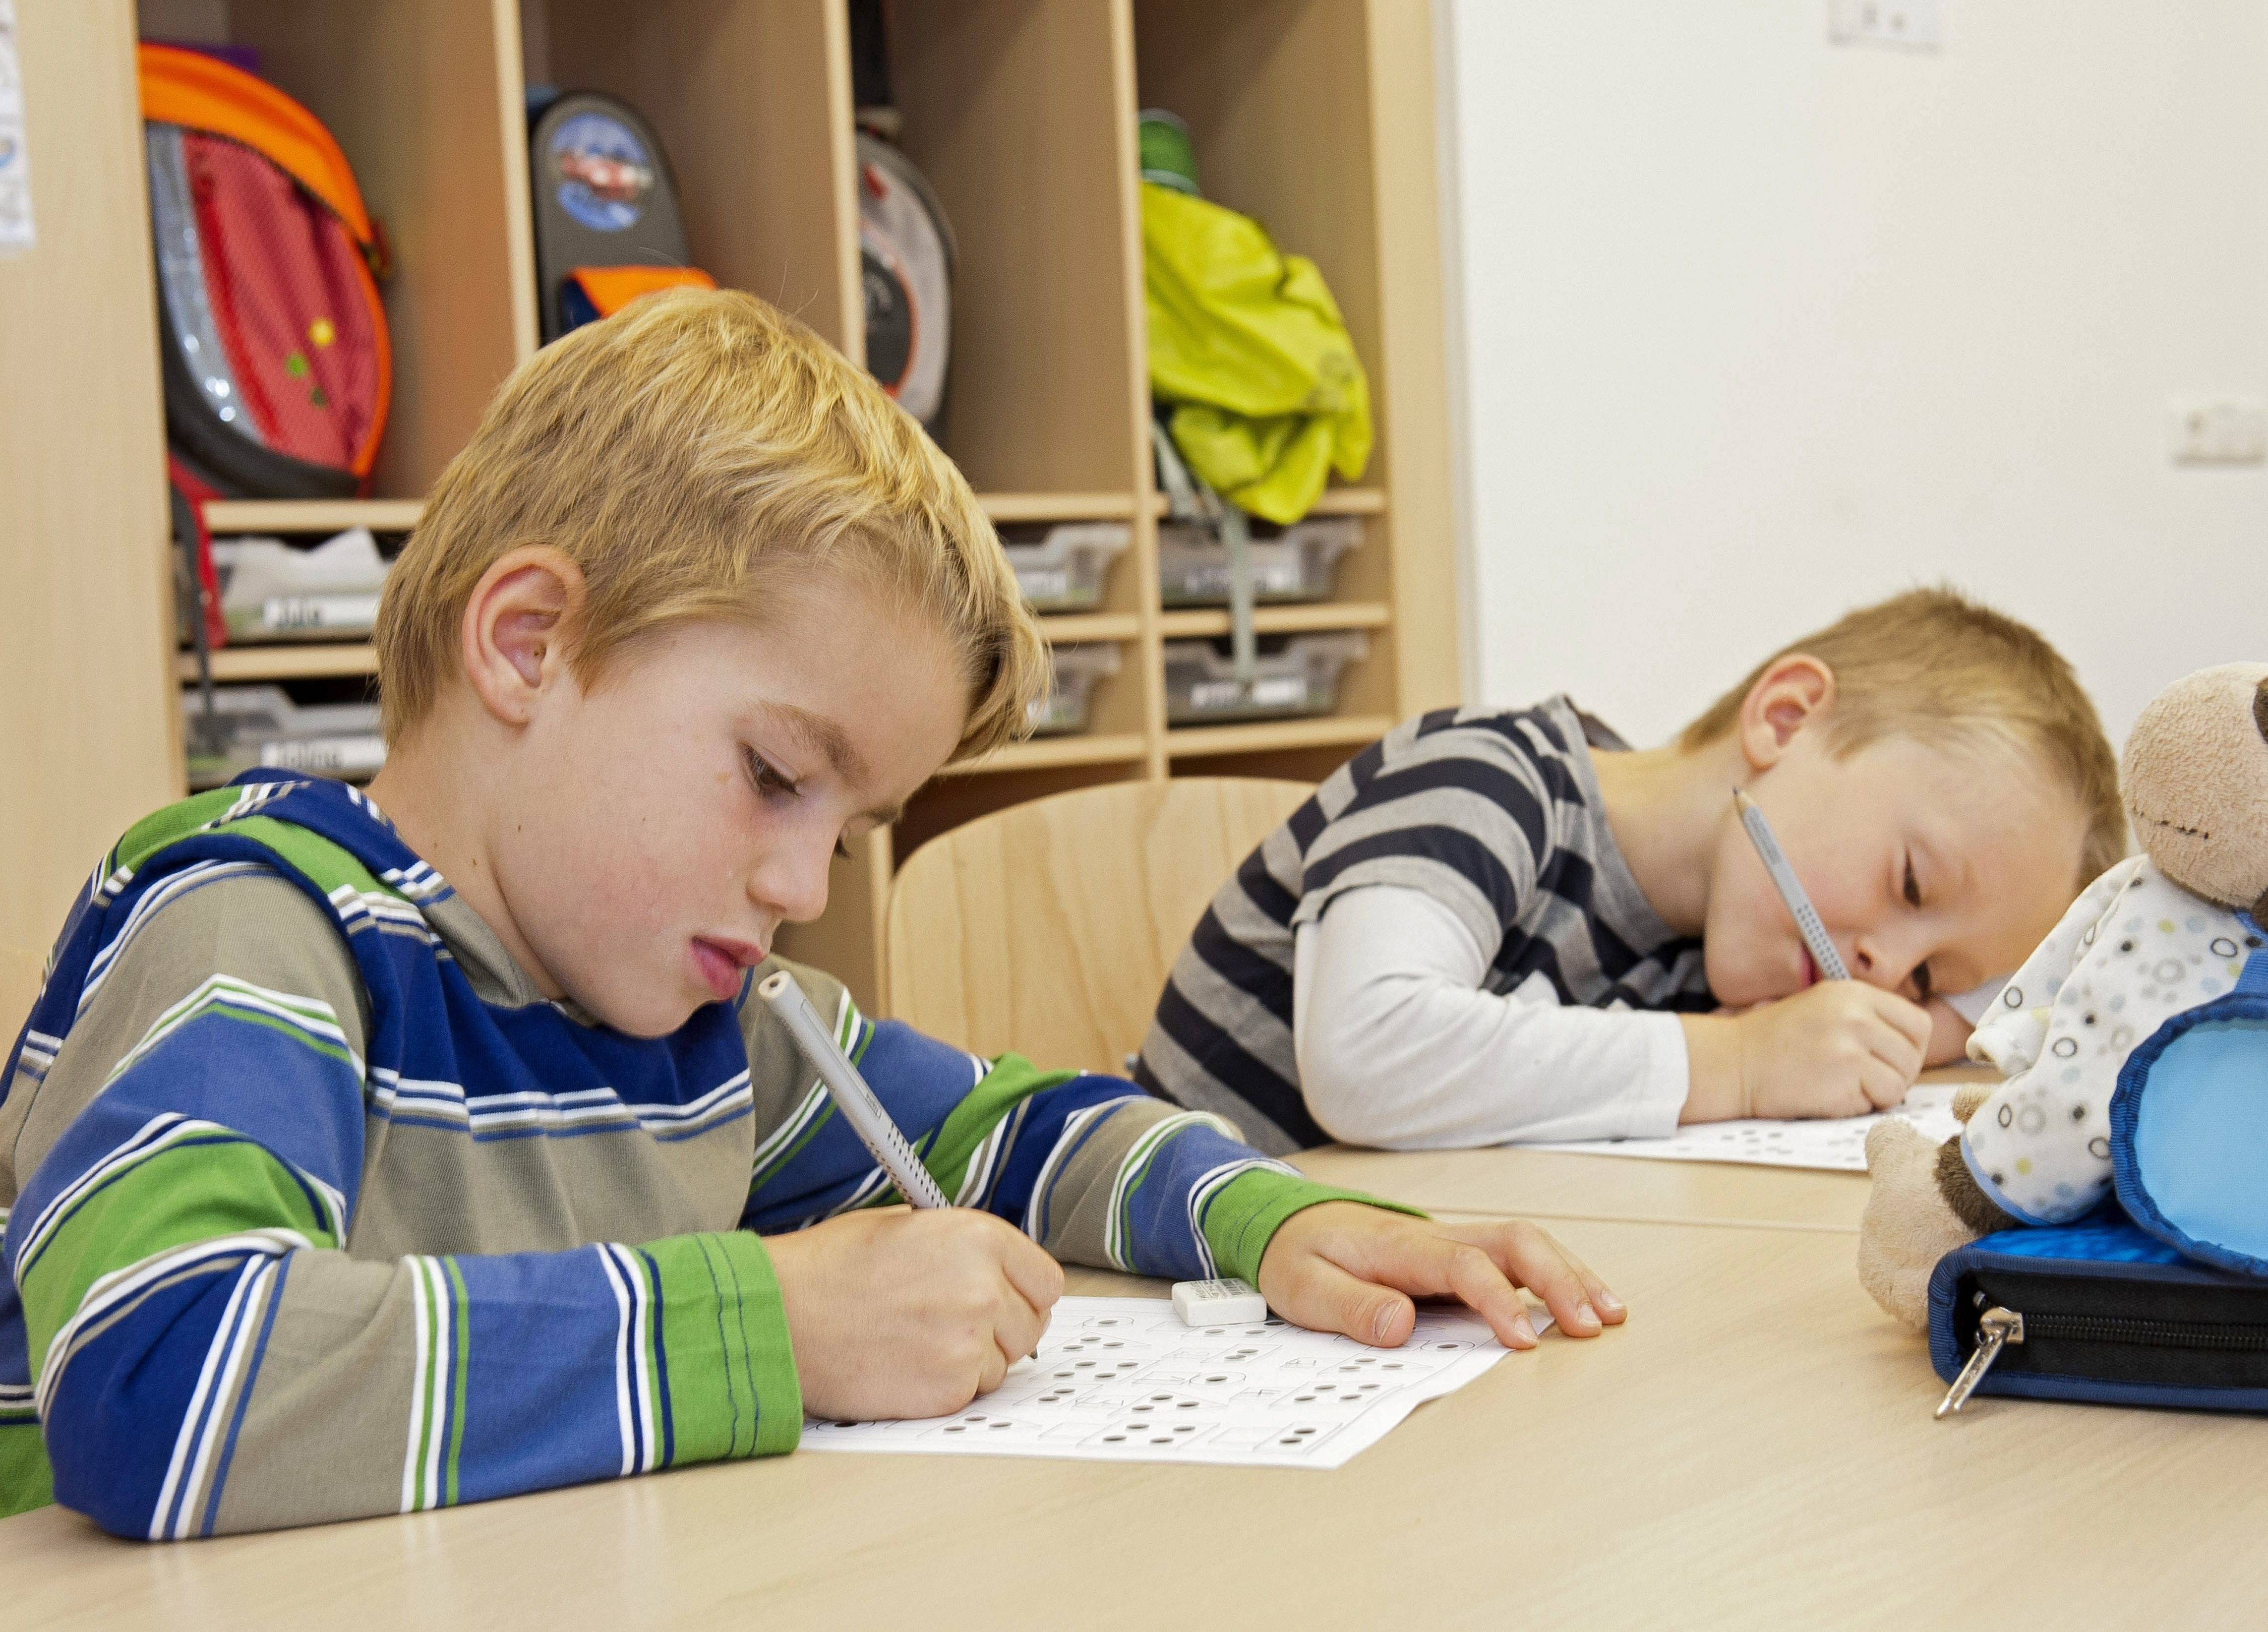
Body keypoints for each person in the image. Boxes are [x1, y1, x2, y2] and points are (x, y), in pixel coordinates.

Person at [0, 291, 1619, 1538]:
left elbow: (1013, 1130)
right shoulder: (253, 924)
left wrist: (1273, 1221)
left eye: (847, 830)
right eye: (775, 773)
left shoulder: (700, 1025)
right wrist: (771, 1318)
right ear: (528, 647)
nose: (800, 886)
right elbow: (165, 1377)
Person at [1134, 589, 2127, 1155]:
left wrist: (1917, 1025)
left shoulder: (1707, 965)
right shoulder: (1485, 777)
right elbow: (1365, 1053)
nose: (1877, 965)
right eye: (1910, 884)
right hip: (1154, 1300)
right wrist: (1739, 1065)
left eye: (1922, 974)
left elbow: (2017, 1003)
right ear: (1783, 720)